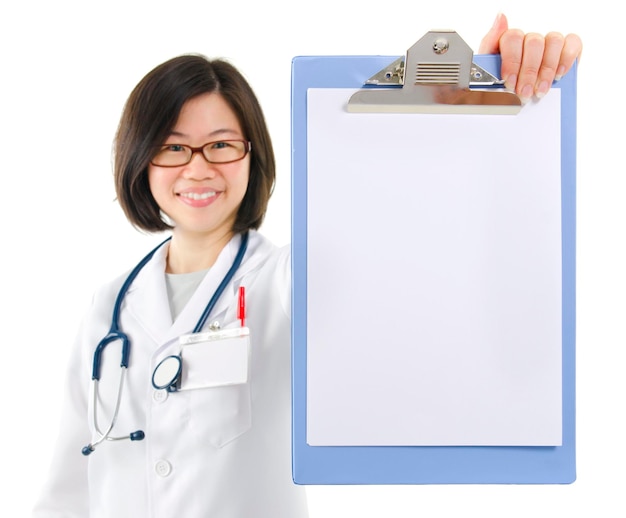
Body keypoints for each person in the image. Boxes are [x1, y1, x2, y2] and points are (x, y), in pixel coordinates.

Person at [32, 13, 582, 518]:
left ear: (254, 155)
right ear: (140, 161)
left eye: (222, 145)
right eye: (173, 148)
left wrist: (471, 83)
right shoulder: (109, 308)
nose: (198, 168)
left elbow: (397, 213)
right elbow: (66, 488)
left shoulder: (293, 281)